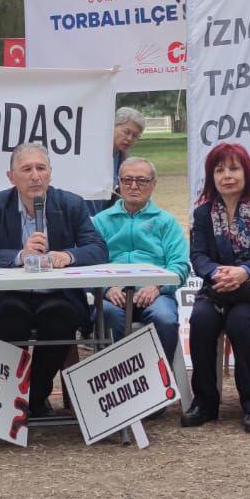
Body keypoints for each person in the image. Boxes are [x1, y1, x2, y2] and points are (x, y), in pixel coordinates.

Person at [0, 143, 109, 417]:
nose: (35, 176)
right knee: (9, 318)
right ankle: (9, 396)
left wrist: (68, 256)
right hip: (9, 293)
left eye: (41, 168)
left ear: (50, 173)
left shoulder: (70, 203)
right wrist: (19, 255)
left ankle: (35, 396)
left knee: (59, 320)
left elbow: (98, 248)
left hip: (56, 293)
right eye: (26, 169)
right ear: (11, 177)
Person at [185, 141, 250, 431]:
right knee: (201, 319)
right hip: (219, 288)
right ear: (211, 176)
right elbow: (198, 256)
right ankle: (204, 402)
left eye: (233, 169)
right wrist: (218, 273)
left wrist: (243, 272)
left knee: (240, 321)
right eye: (219, 170)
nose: (227, 175)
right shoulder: (203, 213)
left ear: (247, 172)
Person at [92, 156, 187, 366]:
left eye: (142, 180)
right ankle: (116, 377)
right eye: (127, 180)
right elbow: (87, 264)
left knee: (165, 318)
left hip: (155, 294)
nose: (134, 186)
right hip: (112, 295)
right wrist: (106, 288)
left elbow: (180, 265)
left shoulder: (167, 222)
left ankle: (161, 379)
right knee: (106, 314)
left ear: (154, 184)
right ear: (118, 183)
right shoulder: (100, 221)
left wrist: (157, 286)